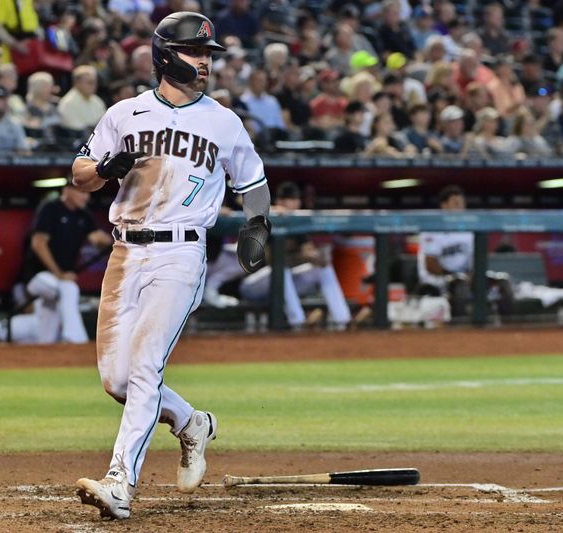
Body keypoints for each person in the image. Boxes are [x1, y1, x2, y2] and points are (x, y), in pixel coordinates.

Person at [69, 12, 272, 520]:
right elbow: (78, 175)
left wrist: (257, 226)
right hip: (125, 251)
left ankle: (120, 482)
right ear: (164, 54)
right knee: (117, 379)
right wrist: (102, 170)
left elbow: (253, 183)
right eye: (193, 51)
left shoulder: (223, 121)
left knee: (143, 366)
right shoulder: (124, 113)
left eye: (207, 54)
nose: (204, 61)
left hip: (181, 253)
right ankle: (191, 422)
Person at [238, 181, 355, 330]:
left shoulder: (297, 223)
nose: (295, 204)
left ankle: (343, 321)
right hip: (252, 285)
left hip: (283, 285)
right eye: (290, 199)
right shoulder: (265, 219)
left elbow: (307, 251)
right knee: (281, 270)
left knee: (323, 269)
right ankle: (298, 322)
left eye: (297, 199)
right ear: (279, 201)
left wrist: (316, 257)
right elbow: (271, 260)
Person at [16, 184, 112, 343]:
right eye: (81, 192)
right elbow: (38, 244)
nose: (86, 197)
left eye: (88, 193)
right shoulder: (51, 208)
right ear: (67, 190)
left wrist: (117, 239)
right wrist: (59, 273)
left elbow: (98, 239)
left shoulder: (83, 215)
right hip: (38, 277)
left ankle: (9, 332)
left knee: (46, 336)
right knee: (69, 289)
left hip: (59, 281)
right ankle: (76, 340)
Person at [418, 185, 512, 318]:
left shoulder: (469, 229)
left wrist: (472, 275)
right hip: (438, 279)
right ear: (444, 205)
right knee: (459, 283)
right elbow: (431, 265)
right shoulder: (432, 228)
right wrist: (457, 276)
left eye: (462, 203)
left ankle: (508, 324)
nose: (460, 207)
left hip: (466, 276)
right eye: (455, 203)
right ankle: (461, 327)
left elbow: (476, 259)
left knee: (503, 281)